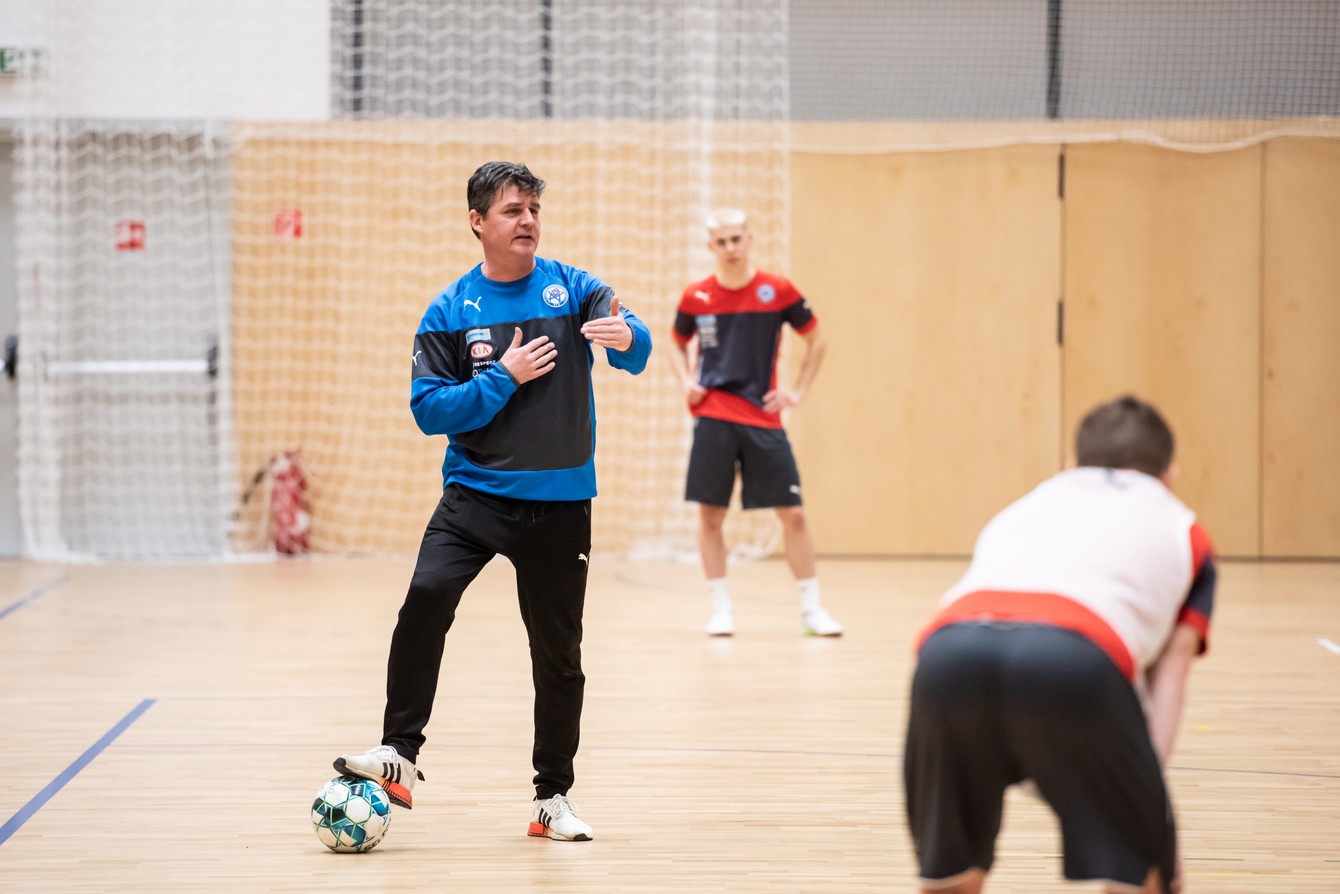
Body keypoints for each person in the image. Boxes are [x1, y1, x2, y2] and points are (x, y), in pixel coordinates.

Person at [334, 161, 652, 842]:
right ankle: (398, 755)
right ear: (478, 222)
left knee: (558, 655)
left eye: (534, 208)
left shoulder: (574, 289)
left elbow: (629, 338)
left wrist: (629, 340)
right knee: (425, 597)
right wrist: (502, 378)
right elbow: (429, 410)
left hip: (560, 504)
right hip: (475, 496)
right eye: (513, 210)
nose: (528, 220)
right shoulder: (450, 312)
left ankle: (552, 799)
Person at [903, 395, 1217, 894]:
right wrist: (1147, 810)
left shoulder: (1028, 504)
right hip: (1077, 656)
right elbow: (1169, 680)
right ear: (1170, 476)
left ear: (1073, 466)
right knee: (1145, 877)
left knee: (951, 878)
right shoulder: (1185, 528)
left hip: (948, 655)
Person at [669, 208, 842, 638]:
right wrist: (686, 380)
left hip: (763, 419)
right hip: (712, 416)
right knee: (711, 516)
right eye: (721, 242)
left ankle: (811, 611)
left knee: (795, 515)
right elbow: (676, 343)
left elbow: (817, 340)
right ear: (711, 247)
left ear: (749, 240)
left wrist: (797, 391)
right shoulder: (696, 297)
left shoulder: (777, 291)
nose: (730, 248)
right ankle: (720, 609)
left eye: (736, 239)